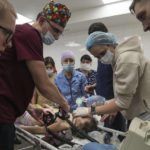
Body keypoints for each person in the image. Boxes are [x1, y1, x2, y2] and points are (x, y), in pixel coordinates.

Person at [0, 1, 71, 149]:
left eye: (60, 33)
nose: (57, 37)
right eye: (55, 31)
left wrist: (29, 108)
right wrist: (64, 104)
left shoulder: (22, 34)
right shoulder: (30, 34)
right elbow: (43, 84)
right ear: (42, 20)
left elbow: (10, 82)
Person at [73, 31, 150, 121]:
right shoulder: (119, 59)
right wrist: (106, 103)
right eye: (98, 57)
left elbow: (122, 103)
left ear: (111, 45)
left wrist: (89, 110)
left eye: (102, 53)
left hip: (145, 113)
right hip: (139, 112)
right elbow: (127, 95)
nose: (102, 59)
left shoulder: (125, 60)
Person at [86, 22, 126, 141]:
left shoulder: (114, 54)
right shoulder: (101, 55)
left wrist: (113, 108)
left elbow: (121, 82)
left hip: (115, 105)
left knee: (117, 138)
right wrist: (95, 85)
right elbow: (107, 76)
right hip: (105, 103)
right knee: (107, 136)